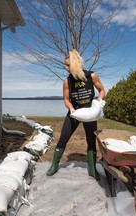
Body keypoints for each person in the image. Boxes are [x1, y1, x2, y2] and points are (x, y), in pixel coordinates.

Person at [46, 49, 105, 180]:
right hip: (75, 112)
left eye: (67, 65)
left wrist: (100, 101)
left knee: (91, 140)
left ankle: (92, 169)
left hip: (89, 113)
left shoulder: (91, 76)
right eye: (65, 65)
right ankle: (54, 165)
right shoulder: (67, 82)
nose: (65, 67)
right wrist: (72, 109)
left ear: (75, 65)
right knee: (63, 137)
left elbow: (101, 90)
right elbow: (66, 99)